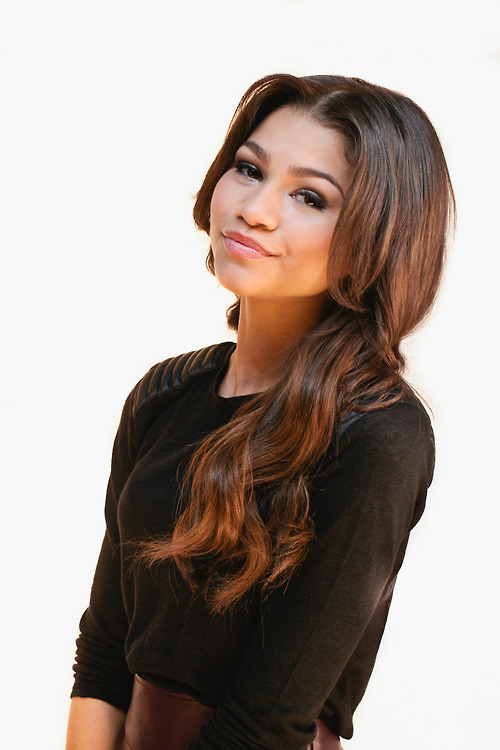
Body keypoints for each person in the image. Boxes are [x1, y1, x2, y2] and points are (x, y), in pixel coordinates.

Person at [66, 73, 454, 750]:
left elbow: (266, 722)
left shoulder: (378, 433)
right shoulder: (164, 395)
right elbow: (104, 648)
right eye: (249, 169)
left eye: (310, 197)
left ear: (378, 237)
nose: (256, 209)